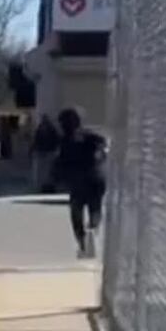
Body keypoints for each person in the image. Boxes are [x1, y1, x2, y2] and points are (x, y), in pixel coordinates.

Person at [53, 107, 107, 259]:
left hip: (78, 182)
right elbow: (102, 147)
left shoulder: (65, 141)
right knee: (94, 210)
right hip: (95, 179)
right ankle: (92, 236)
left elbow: (60, 163)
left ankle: (84, 245)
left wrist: (57, 179)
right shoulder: (91, 136)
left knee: (76, 215)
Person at [32, 114, 61, 192]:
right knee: (47, 171)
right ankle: (47, 186)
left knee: (46, 171)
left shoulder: (44, 129)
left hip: (46, 152)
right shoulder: (50, 129)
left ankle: (47, 186)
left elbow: (36, 140)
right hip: (47, 152)